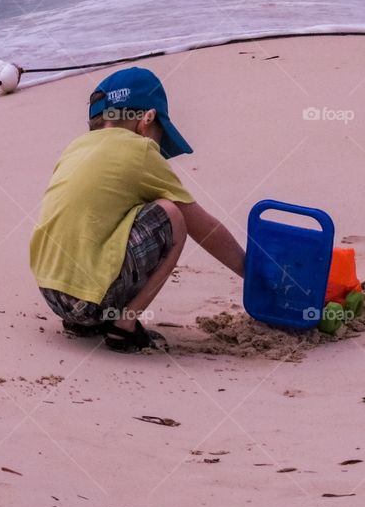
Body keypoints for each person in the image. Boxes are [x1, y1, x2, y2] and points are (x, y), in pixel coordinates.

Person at [29, 67, 245, 353]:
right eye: (159, 137)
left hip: (52, 294)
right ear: (147, 120)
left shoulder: (76, 148)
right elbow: (204, 227)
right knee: (172, 215)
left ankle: (83, 323)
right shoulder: (140, 150)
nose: (156, 146)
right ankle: (123, 328)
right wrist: (250, 272)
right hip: (91, 303)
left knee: (111, 213)